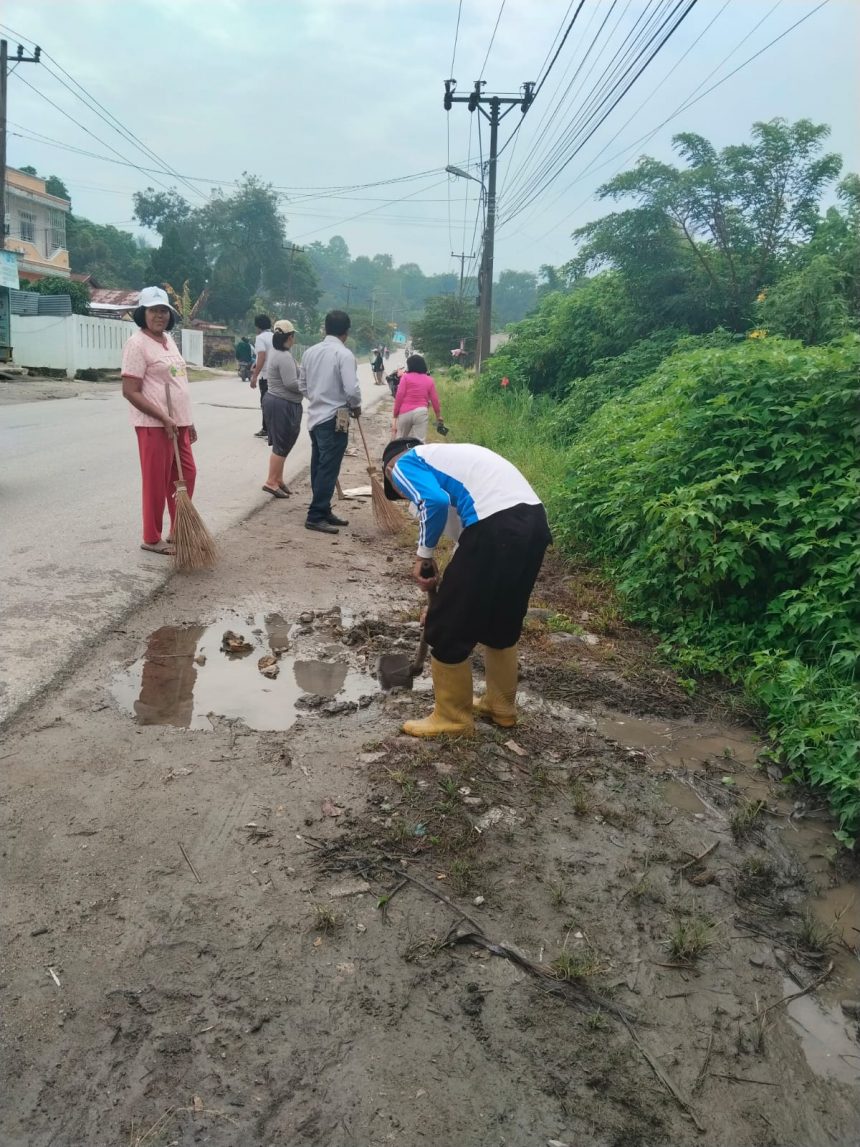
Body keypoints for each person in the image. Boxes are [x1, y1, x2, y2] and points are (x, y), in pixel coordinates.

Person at [381, 439, 552, 737]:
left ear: (390, 470)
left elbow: (431, 502)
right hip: (533, 524)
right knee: (503, 620)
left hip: (496, 528)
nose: (402, 493)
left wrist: (423, 555)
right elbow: (470, 545)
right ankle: (501, 706)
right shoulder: (455, 461)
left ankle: (453, 718)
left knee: (446, 627)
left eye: (397, 490)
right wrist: (448, 593)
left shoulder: (404, 465)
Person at [121, 286, 198, 556]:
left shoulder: (169, 340)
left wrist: (188, 420)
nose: (160, 316)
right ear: (143, 313)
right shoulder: (137, 343)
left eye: (164, 310)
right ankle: (151, 538)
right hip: (154, 425)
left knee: (186, 475)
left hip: (179, 424)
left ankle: (180, 528)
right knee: (156, 481)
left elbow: (178, 382)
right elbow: (130, 391)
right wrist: (163, 416)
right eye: (154, 310)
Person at [298, 310, 362, 534]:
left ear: (325, 328)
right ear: (346, 331)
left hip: (315, 417)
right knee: (328, 467)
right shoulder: (343, 354)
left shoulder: (310, 352)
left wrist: (317, 398)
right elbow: (351, 389)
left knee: (319, 465)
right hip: (334, 417)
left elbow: (302, 385)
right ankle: (315, 515)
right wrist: (356, 405)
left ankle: (323, 510)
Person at [261, 320, 303, 499]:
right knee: (282, 443)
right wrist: (310, 387)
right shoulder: (283, 356)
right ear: (290, 337)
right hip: (281, 403)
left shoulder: (280, 353)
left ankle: (278, 478)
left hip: (280, 402)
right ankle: (271, 481)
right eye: (293, 336)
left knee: (285, 442)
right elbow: (291, 383)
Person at [391, 354, 442, 442]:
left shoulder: (405, 377)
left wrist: (395, 415)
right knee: (420, 442)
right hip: (421, 412)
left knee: (400, 440)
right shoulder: (429, 380)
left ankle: (400, 455)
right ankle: (417, 455)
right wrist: (438, 416)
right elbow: (435, 400)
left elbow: (399, 396)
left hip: (405, 412)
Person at [250, 314, 274, 438]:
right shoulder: (276, 337)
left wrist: (255, 376)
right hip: (276, 375)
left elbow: (262, 356)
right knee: (274, 403)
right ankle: (269, 429)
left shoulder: (260, 338)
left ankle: (268, 430)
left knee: (265, 403)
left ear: (258, 326)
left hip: (266, 375)